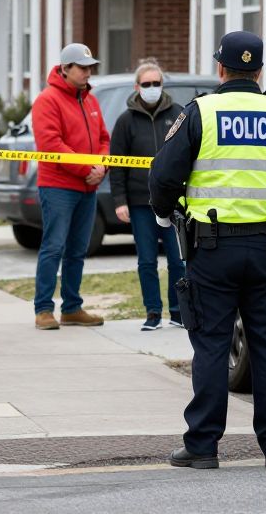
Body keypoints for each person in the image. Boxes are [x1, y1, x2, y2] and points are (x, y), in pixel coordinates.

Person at [148, 31, 266, 469]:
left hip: (213, 248)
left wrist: (166, 213)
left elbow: (164, 175)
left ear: (220, 69)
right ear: (259, 71)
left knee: (211, 345)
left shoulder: (200, 112)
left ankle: (203, 446)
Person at [30, 43, 110, 330]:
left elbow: (103, 137)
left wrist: (101, 166)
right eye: (83, 67)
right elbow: (52, 145)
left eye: (90, 67)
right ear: (65, 69)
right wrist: (87, 168)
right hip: (59, 187)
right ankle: (43, 309)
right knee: (53, 247)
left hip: (88, 188)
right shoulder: (47, 100)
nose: (88, 72)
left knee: (78, 249)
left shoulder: (90, 100)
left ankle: (72, 307)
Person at [110, 59, 186, 331]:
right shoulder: (125, 121)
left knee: (178, 260)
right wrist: (120, 201)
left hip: (173, 203)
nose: (152, 88)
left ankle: (178, 311)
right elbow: (116, 164)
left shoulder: (178, 114)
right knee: (147, 260)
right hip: (141, 203)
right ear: (137, 87)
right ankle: (152, 312)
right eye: (147, 84)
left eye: (157, 83)